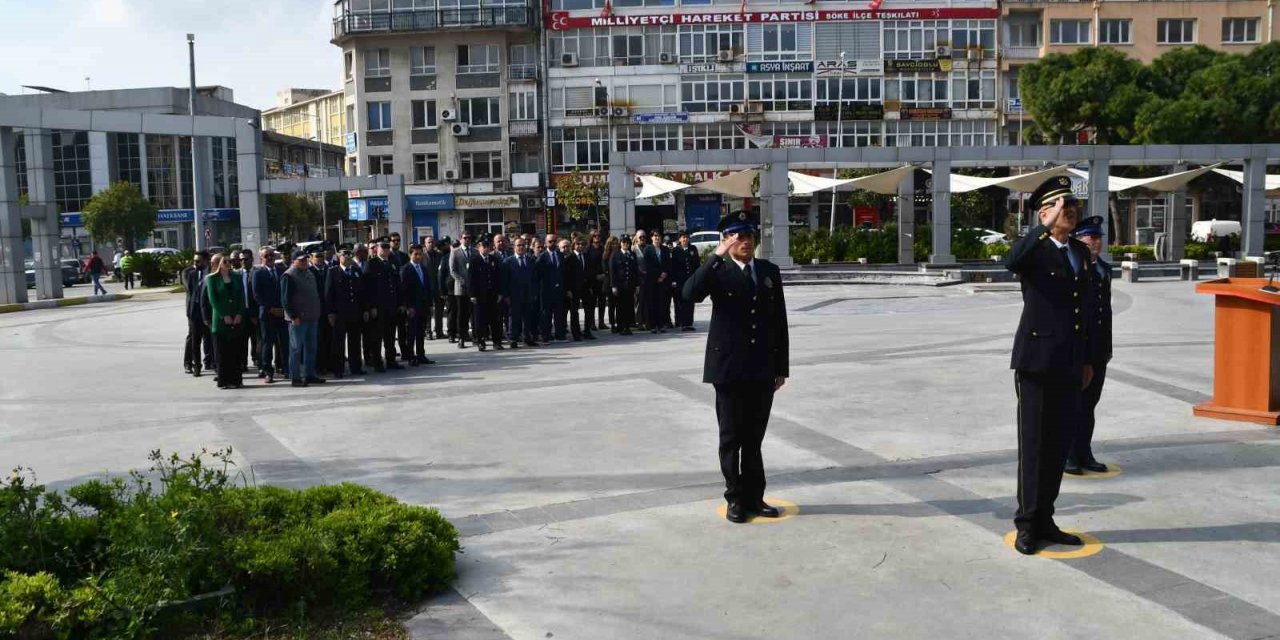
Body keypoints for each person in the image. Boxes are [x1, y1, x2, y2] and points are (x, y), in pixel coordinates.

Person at [683, 211, 790, 524]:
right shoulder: (717, 270)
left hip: (761, 369)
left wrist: (781, 367)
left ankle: (755, 498)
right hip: (728, 370)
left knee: (754, 439)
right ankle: (735, 499)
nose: (745, 242)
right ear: (726, 240)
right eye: (737, 237)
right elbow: (689, 294)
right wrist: (715, 255)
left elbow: (779, 323)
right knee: (731, 438)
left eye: (749, 236)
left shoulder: (769, 271)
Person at [1004, 176, 1092, 555]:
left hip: (1070, 363)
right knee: (1035, 445)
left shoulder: (1080, 253)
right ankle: (1027, 523)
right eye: (1061, 206)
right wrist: (1040, 228)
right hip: (1037, 362)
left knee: (1057, 445)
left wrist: (1087, 358)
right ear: (1045, 212)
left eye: (1073, 206)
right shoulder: (1035, 250)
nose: (1070, 211)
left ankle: (1046, 518)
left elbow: (1084, 311)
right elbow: (1011, 261)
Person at [1066, 216, 1112, 476]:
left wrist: (1105, 351)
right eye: (1089, 237)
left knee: (1090, 405)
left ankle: (1085, 452)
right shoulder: (1073, 267)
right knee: (1074, 403)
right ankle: (1069, 454)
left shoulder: (1104, 269)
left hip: (1098, 350)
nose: (1095, 242)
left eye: (1098, 237)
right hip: (1078, 350)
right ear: (1078, 240)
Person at [281, 250, 326, 387]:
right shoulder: (289, 275)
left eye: (306, 259)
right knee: (295, 349)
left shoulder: (309, 272)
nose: (304, 262)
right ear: (294, 261)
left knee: (311, 348)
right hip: (298, 319)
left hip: (312, 317)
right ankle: (295, 377)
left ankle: (309, 374)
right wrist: (293, 316)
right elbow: (285, 299)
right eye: (301, 260)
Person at [205, 253, 246, 389]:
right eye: (225, 261)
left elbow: (241, 297)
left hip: (237, 318)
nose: (228, 264)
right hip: (221, 320)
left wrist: (239, 313)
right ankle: (224, 380)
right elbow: (213, 300)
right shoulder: (212, 279)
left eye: (230, 261)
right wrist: (224, 315)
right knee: (222, 352)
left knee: (235, 351)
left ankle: (236, 380)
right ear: (218, 263)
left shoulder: (237, 277)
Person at [325, 248, 367, 377]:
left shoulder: (356, 271)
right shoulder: (333, 272)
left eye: (349, 255)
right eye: (344, 255)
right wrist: (330, 312)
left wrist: (364, 309)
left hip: (354, 312)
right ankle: (338, 369)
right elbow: (328, 294)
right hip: (339, 313)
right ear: (339, 257)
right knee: (338, 342)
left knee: (355, 341)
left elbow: (362, 292)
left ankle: (356, 367)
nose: (347, 258)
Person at [252, 247, 286, 383]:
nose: (270, 258)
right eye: (267, 256)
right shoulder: (258, 273)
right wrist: (271, 309)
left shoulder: (281, 270)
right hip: (267, 313)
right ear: (261, 258)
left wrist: (283, 308)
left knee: (284, 342)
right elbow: (257, 295)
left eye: (272, 255)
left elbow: (286, 291)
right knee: (267, 343)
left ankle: (285, 368)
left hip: (282, 313)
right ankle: (268, 371)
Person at [400, 243, 436, 365]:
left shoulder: (424, 268)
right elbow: (404, 290)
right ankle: (411, 356)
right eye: (415, 254)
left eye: (420, 254)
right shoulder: (406, 269)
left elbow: (427, 288)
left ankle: (421, 355)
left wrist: (430, 305)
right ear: (410, 254)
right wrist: (408, 306)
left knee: (421, 332)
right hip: (412, 307)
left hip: (423, 306)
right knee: (411, 334)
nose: (418, 257)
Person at [502, 236, 539, 348]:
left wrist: (534, 293)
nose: (521, 247)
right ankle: (513, 339)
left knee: (528, 318)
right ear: (514, 247)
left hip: (528, 294)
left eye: (523, 245)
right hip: (514, 295)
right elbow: (504, 281)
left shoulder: (530, 260)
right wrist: (506, 296)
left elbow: (534, 279)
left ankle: (527, 338)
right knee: (514, 318)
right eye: (518, 245)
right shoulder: (508, 262)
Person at [182, 251, 213, 376]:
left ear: (206, 261)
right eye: (194, 261)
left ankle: (210, 361)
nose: (195, 263)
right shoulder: (190, 273)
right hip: (194, 312)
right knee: (194, 339)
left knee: (209, 338)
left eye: (198, 261)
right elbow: (191, 291)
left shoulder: (212, 273)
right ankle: (193, 364)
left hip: (208, 311)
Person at [471, 236, 504, 352]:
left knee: (495, 320)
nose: (486, 249)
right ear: (479, 248)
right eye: (483, 247)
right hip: (480, 295)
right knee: (480, 320)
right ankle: (480, 342)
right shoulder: (474, 261)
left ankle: (497, 342)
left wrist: (500, 292)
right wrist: (472, 295)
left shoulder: (494, 259)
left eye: (487, 247)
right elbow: (471, 279)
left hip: (492, 294)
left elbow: (499, 277)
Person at [448, 232, 478, 349]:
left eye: (469, 238)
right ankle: (461, 337)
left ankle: (476, 336)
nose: (467, 240)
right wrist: (462, 280)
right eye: (465, 238)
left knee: (474, 314)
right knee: (462, 314)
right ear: (461, 239)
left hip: (473, 289)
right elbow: (452, 270)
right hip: (461, 288)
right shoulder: (455, 252)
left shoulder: (475, 252)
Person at [536, 237, 567, 342]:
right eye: (550, 241)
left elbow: (563, 273)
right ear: (545, 243)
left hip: (559, 290)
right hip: (546, 291)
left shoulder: (561, 255)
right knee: (546, 315)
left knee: (559, 314)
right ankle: (546, 336)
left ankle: (560, 335)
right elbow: (538, 275)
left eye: (554, 241)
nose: (552, 243)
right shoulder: (542, 257)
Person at [566, 237, 596, 341]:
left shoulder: (587, 256)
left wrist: (590, 285)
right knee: (574, 311)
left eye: (583, 244)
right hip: (574, 288)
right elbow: (567, 275)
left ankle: (587, 331)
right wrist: (568, 289)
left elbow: (591, 272)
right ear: (574, 245)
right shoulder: (570, 258)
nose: (581, 246)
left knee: (589, 309)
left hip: (586, 287)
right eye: (578, 244)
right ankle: (576, 333)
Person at [671, 232, 701, 331]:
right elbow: (673, 267)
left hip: (691, 279)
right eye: (683, 238)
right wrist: (674, 280)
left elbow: (697, 264)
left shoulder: (693, 249)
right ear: (679, 239)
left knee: (690, 302)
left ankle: (689, 323)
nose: (685, 239)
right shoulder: (676, 251)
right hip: (680, 281)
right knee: (681, 302)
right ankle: (682, 323)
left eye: (686, 237)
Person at [309, 249, 332, 375]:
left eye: (322, 256)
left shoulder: (330, 269)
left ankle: (329, 364)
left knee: (329, 338)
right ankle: (319, 366)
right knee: (317, 340)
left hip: (328, 311)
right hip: (315, 311)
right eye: (317, 256)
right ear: (311, 258)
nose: (320, 259)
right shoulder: (309, 272)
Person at [610, 235, 639, 335]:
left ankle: (627, 326)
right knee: (620, 307)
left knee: (628, 306)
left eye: (627, 242)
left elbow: (635, 270)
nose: (625, 244)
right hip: (620, 285)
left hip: (629, 285)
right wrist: (614, 286)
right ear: (620, 243)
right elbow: (612, 271)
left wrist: (636, 284)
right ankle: (620, 326)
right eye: (623, 242)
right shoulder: (615, 254)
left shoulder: (631, 254)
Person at [644, 231, 672, 333]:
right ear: (651, 238)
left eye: (659, 236)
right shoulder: (648, 249)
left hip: (663, 280)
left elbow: (668, 263)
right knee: (652, 302)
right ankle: (653, 325)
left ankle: (661, 324)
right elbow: (648, 265)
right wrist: (657, 276)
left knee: (662, 303)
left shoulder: (665, 249)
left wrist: (664, 273)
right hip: (652, 280)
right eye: (655, 236)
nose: (657, 238)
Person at [422, 236, 443, 340]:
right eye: (428, 242)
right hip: (427, 286)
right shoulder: (422, 256)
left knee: (439, 309)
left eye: (432, 242)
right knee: (428, 310)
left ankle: (439, 331)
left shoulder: (439, 255)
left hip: (438, 286)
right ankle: (428, 331)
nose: (431, 244)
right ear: (425, 244)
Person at [588, 233, 607, 332]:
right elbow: (588, 265)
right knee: (592, 302)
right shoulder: (588, 249)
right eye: (595, 236)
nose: (597, 237)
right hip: (593, 279)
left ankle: (601, 322)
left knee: (602, 301)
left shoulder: (603, 248)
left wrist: (604, 274)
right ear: (592, 237)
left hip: (603, 278)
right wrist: (595, 275)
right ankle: (592, 323)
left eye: (599, 236)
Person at [602, 236, 620, 332]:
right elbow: (606, 270)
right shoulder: (606, 255)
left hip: (619, 282)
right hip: (609, 283)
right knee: (611, 305)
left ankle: (619, 322)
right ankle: (612, 324)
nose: (615, 245)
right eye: (613, 244)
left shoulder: (619, 253)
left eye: (616, 243)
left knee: (619, 304)